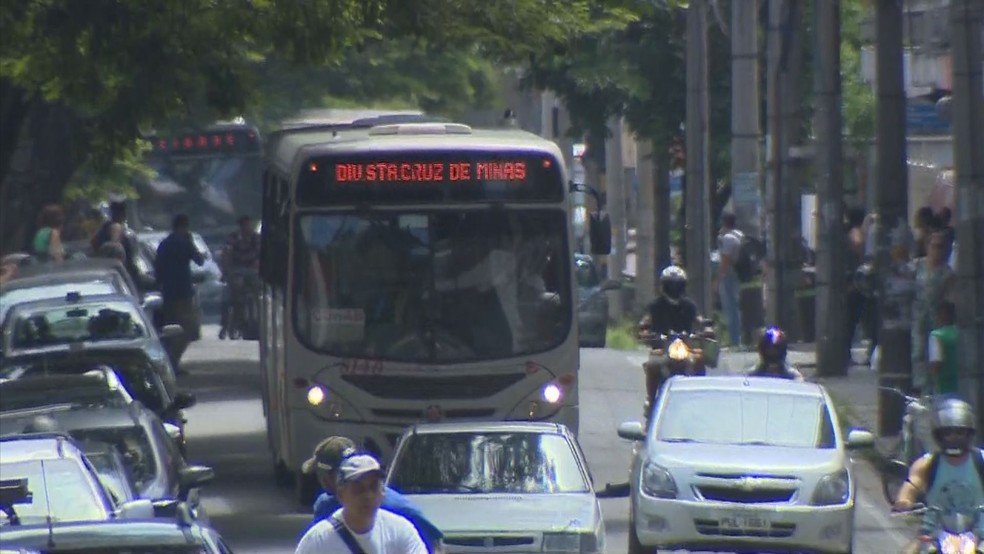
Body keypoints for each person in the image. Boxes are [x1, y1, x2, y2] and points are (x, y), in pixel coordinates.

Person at [304, 437, 443, 553]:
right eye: (358, 488)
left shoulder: (398, 512)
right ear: (341, 494)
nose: (368, 496)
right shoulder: (324, 507)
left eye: (373, 486)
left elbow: (433, 541)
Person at [893, 399, 984, 550]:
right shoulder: (927, 463)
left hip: (979, 531)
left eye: (959, 433)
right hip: (935, 531)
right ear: (939, 435)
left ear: (969, 434)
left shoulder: (980, 459)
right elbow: (911, 485)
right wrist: (904, 500)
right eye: (948, 433)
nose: (954, 438)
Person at [154, 214, 205, 371]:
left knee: (171, 330)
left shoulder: (164, 244)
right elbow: (199, 260)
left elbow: (158, 269)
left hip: (168, 293)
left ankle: (171, 363)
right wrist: (190, 242)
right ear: (184, 227)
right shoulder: (184, 243)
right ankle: (173, 362)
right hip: (183, 293)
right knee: (186, 329)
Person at [219, 215, 261, 339]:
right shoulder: (233, 238)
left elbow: (260, 255)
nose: (248, 228)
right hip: (237, 271)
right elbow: (226, 255)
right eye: (245, 226)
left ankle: (258, 320)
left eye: (249, 225)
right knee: (227, 296)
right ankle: (225, 324)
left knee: (259, 292)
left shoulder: (257, 238)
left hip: (253, 271)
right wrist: (227, 273)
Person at [638, 265, 699, 344]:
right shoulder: (656, 305)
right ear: (664, 286)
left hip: (686, 345)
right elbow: (646, 321)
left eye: (678, 285)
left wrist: (707, 329)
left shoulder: (689, 305)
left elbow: (699, 320)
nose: (674, 288)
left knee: (701, 354)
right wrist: (645, 332)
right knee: (653, 354)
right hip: (660, 346)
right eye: (670, 285)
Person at [713, 211, 743, 348]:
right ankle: (737, 339)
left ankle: (734, 341)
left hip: (729, 276)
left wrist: (717, 280)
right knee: (735, 308)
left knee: (730, 308)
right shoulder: (740, 235)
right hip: (738, 275)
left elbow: (725, 261)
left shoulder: (728, 239)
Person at [928, 301, 959, 397]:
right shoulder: (961, 334)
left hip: (945, 389)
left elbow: (936, 363)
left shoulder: (936, 336)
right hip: (965, 388)